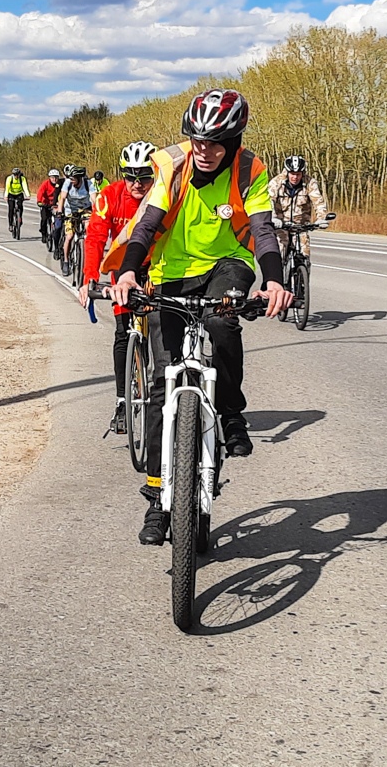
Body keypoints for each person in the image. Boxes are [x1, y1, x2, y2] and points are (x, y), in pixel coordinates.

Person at [105, 88, 293, 545]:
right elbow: (147, 223)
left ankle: (230, 412)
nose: (204, 151)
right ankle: (156, 499)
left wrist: (273, 279)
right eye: (197, 140)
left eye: (215, 143)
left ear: (235, 140)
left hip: (225, 263)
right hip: (170, 271)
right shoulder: (172, 163)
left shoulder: (251, 169)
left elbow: (264, 231)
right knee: (156, 384)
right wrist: (129, 272)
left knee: (221, 319)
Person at [83, 142, 160, 434]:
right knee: (122, 331)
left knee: (160, 329)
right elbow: (95, 238)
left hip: (157, 264)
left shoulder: (163, 195)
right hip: (123, 267)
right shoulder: (110, 195)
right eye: (131, 176)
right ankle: (121, 402)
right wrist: (90, 277)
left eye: (144, 176)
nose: (137, 184)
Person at [268, 155, 328, 261]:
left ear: (302, 173)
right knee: (279, 251)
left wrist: (321, 218)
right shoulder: (276, 182)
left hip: (301, 226)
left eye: (298, 174)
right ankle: (277, 276)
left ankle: (303, 273)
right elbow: (269, 201)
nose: (295, 177)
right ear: (287, 172)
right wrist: (273, 217)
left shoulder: (310, 183)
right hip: (281, 225)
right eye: (292, 174)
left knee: (304, 254)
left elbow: (318, 202)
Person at [36, 168, 63, 244]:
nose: (54, 179)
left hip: (55, 204)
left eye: (56, 177)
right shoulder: (45, 184)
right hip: (45, 204)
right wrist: (39, 201)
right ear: (49, 178)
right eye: (52, 177)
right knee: (44, 219)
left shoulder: (60, 184)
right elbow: (40, 192)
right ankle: (44, 233)